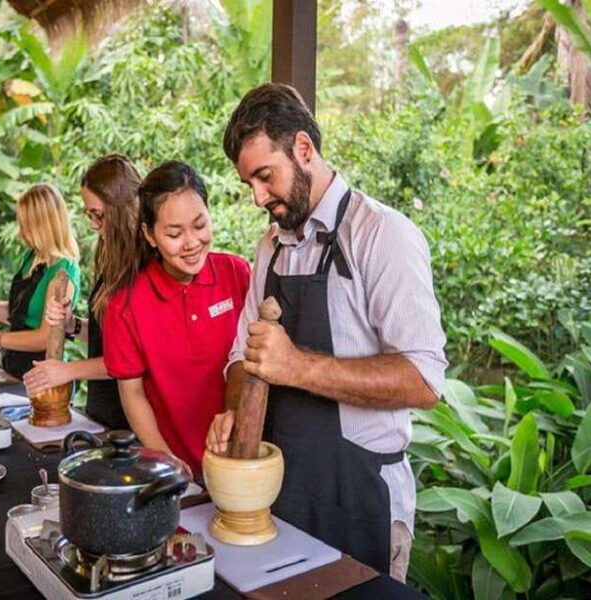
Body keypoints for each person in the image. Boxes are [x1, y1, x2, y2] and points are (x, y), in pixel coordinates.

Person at [205, 83, 447, 581]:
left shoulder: (383, 234)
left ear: (303, 148)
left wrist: (296, 367)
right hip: (282, 494)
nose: (257, 197)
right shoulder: (269, 248)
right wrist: (231, 411)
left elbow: (424, 381)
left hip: (359, 495)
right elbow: (240, 357)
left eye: (265, 177)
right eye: (249, 183)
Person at [102, 161, 251, 476]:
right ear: (150, 234)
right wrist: (166, 461)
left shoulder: (236, 274)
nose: (191, 242)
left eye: (199, 225)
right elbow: (133, 393)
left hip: (242, 464)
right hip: (176, 470)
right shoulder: (125, 304)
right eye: (174, 233)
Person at [23, 155, 142, 429]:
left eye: (98, 215)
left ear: (122, 207)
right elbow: (109, 336)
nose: (92, 224)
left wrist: (66, 371)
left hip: (133, 417)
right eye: (89, 214)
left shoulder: (146, 267)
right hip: (102, 410)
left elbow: (132, 357)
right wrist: (71, 324)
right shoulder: (110, 256)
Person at [0, 183, 80, 379]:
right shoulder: (32, 257)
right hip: (14, 370)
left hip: (41, 377)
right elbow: (20, 315)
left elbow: (45, 337)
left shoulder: (63, 272)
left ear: (42, 226)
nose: (20, 233)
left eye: (25, 226)